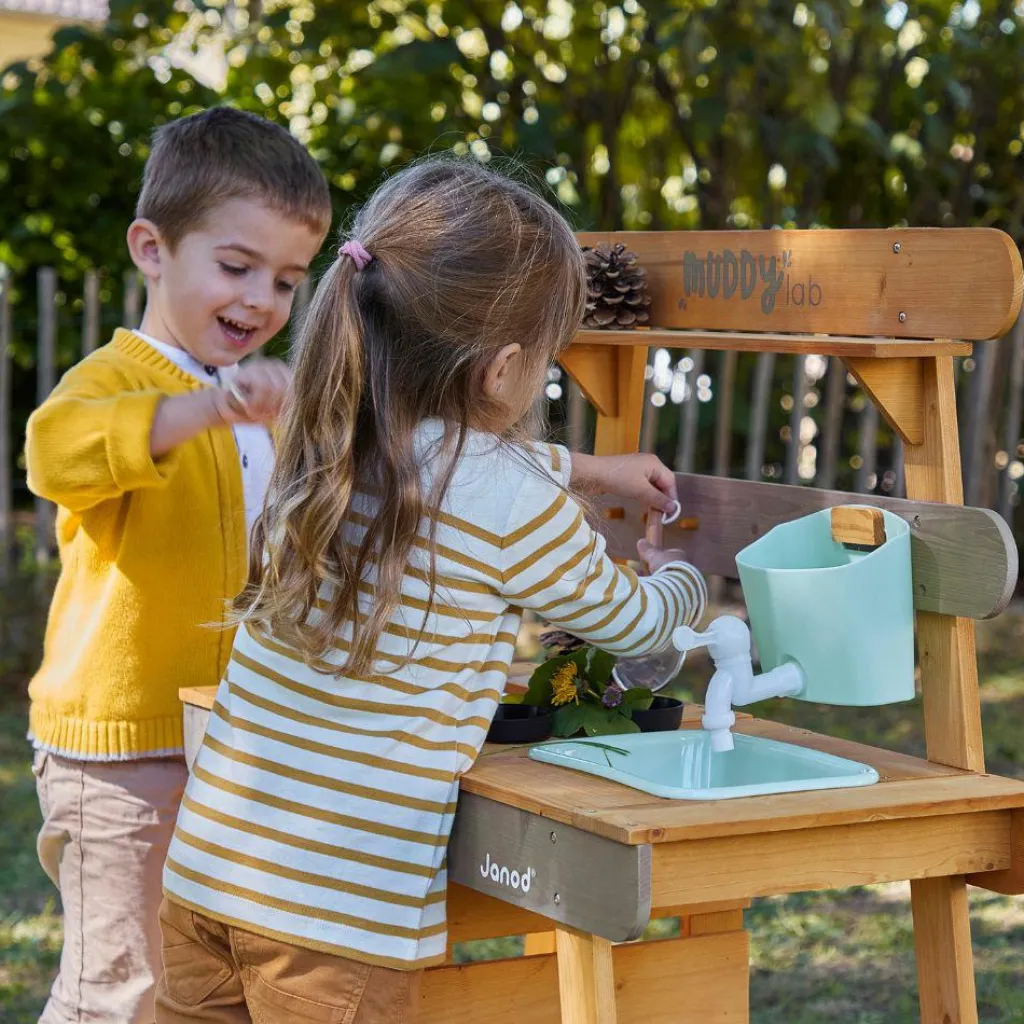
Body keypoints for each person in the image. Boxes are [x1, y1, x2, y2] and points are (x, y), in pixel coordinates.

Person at [155, 157, 707, 1024]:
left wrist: (590, 469)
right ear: (504, 371)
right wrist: (681, 576)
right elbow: (631, 623)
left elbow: (456, 461)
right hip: (336, 924)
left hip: (209, 877)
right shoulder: (509, 499)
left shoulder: (328, 423)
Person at [24, 106, 331, 1024]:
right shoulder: (115, 382)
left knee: (204, 989)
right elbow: (55, 453)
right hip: (122, 754)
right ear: (152, 249)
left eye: (285, 280)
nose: (262, 300)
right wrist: (199, 412)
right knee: (119, 991)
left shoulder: (261, 400)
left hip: (232, 744)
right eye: (236, 268)